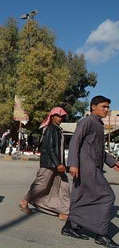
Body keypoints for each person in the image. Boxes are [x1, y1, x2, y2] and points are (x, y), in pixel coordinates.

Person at [61, 96, 119, 247]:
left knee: (81, 198)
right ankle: (101, 233)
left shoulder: (98, 124)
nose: (107, 110)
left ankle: (69, 227)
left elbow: (99, 150)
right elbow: (75, 141)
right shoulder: (87, 121)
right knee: (107, 197)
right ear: (93, 107)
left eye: (108, 107)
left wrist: (113, 163)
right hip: (87, 168)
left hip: (92, 168)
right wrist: (73, 164)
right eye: (104, 107)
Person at [19, 107, 69, 221]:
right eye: (58, 116)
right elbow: (50, 148)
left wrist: (62, 164)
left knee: (63, 187)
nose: (60, 118)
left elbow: (59, 149)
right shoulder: (51, 129)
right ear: (52, 116)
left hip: (57, 165)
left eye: (62, 116)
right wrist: (58, 164)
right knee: (41, 185)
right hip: (49, 164)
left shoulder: (57, 129)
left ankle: (64, 212)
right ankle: (24, 200)